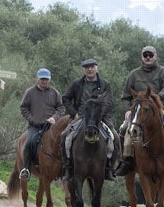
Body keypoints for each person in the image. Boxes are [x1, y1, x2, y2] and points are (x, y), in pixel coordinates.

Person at [61, 58, 118, 182]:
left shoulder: (105, 84)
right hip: (80, 116)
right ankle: (67, 168)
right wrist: (73, 113)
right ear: (83, 69)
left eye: (92, 66)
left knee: (116, 137)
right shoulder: (77, 83)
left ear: (97, 68)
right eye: (87, 67)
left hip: (101, 117)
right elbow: (65, 98)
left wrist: (98, 115)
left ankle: (109, 169)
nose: (90, 69)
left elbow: (109, 102)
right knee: (64, 135)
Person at [116, 45, 164, 176]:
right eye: (145, 55)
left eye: (150, 55)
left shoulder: (162, 72)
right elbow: (125, 97)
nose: (148, 58)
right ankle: (126, 160)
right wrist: (127, 110)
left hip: (159, 108)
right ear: (141, 57)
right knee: (123, 128)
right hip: (139, 111)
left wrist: (155, 99)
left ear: (156, 57)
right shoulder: (133, 74)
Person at [19, 68, 65, 180]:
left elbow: (61, 108)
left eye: (46, 79)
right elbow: (23, 107)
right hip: (35, 126)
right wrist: (32, 119)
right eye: (42, 79)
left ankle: (64, 170)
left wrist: (54, 118)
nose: (44, 81)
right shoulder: (30, 92)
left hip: (51, 127)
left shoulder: (55, 93)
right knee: (29, 142)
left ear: (49, 79)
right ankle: (26, 169)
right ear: (37, 79)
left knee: (65, 143)